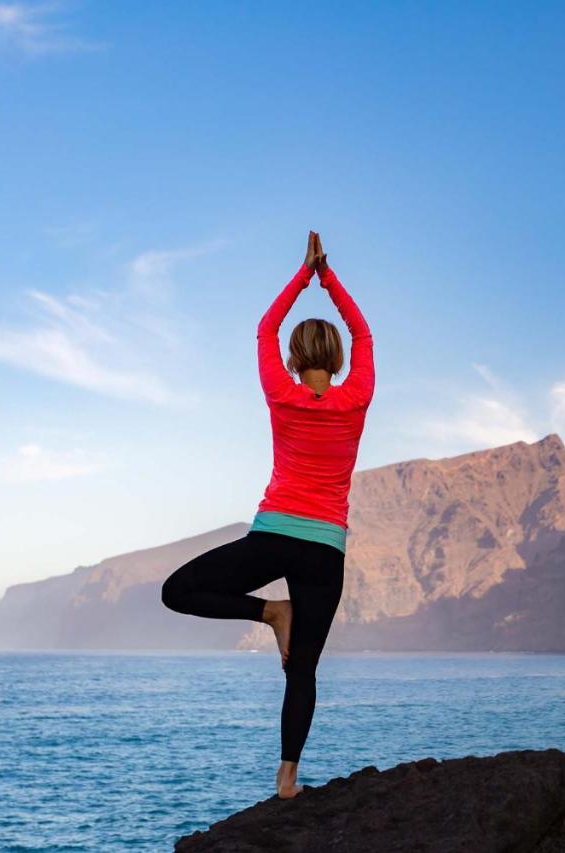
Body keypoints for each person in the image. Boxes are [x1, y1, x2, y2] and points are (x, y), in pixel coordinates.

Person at [161, 230, 375, 799]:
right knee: (302, 667)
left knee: (176, 591)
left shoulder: (280, 391)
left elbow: (264, 327)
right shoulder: (358, 396)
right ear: (338, 358)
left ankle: (266, 612)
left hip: (275, 533)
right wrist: (328, 278)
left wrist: (303, 275)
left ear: (292, 357)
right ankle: (287, 780)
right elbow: (363, 330)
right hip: (326, 549)